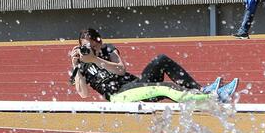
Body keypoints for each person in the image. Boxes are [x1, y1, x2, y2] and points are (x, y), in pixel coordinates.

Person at [69, 28, 238, 104]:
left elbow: (121, 69)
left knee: (161, 60)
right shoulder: (82, 65)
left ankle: (202, 91)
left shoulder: (107, 50)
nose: (89, 49)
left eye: (92, 45)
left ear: (99, 42)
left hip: (135, 85)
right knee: (165, 87)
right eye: (86, 47)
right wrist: (76, 66)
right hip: (119, 95)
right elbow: (83, 94)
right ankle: (214, 99)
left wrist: (96, 59)